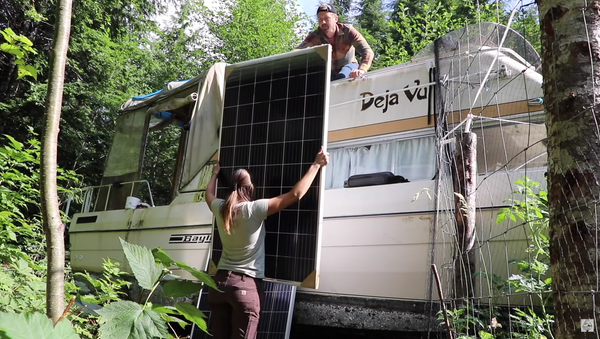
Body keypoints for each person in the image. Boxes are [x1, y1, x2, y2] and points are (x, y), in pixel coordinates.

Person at [205, 147, 330, 339]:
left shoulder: (221, 208)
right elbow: (295, 195)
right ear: (250, 187)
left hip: (219, 284)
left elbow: (209, 196)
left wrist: (214, 175)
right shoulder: (254, 209)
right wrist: (315, 165)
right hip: (244, 287)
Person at [296, 3, 374, 80]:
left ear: (336, 19)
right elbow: (297, 52)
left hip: (349, 66)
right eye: (320, 19)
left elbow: (367, 51)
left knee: (341, 78)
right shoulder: (315, 36)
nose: (323, 22)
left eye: (326, 18)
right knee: (316, 82)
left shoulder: (348, 31)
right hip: (330, 71)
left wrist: (362, 69)